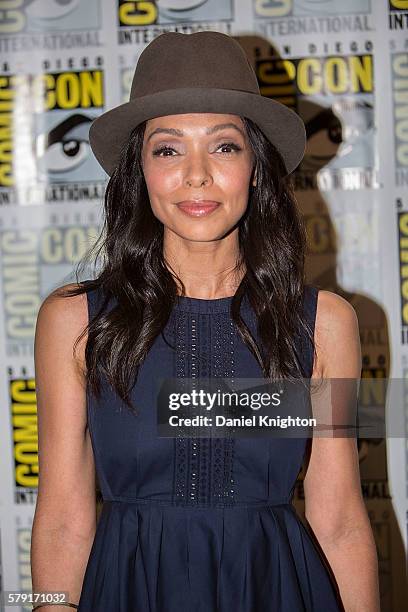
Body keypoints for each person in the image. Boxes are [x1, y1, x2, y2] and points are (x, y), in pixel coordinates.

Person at [30, 31, 380, 612]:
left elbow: (339, 517)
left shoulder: (325, 324)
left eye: (223, 147)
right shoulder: (75, 321)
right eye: (168, 150)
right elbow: (63, 518)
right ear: (138, 171)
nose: (196, 176)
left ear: (256, 167)